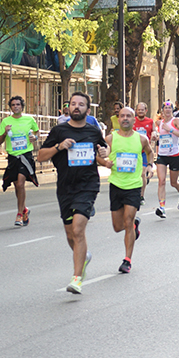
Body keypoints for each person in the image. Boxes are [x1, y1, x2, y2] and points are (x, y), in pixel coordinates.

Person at [38, 91, 110, 294]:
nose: (76, 107)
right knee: (70, 234)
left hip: (87, 185)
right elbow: (41, 156)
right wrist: (59, 147)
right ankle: (83, 255)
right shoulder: (59, 131)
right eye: (73, 104)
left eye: (81, 104)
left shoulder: (93, 131)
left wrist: (105, 155)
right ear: (68, 108)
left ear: (88, 109)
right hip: (65, 187)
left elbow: (102, 154)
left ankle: (77, 278)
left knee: (78, 229)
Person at [104, 106, 152, 273]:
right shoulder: (110, 138)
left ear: (133, 120)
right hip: (116, 184)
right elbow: (100, 155)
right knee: (118, 227)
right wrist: (104, 162)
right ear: (118, 119)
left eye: (128, 116)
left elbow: (150, 152)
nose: (125, 118)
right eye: (122, 116)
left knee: (128, 220)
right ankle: (133, 227)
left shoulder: (141, 139)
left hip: (133, 185)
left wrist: (149, 166)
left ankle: (127, 260)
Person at [0, 95, 40, 226]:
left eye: (18, 105)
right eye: (13, 105)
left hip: (25, 155)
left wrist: (35, 138)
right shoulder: (6, 121)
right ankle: (25, 209)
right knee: (17, 185)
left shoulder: (29, 119)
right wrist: (5, 133)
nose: (16, 107)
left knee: (21, 183)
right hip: (12, 157)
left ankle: (19, 214)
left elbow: (37, 132)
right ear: (11, 107)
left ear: (22, 106)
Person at [152, 101, 179, 218]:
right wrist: (155, 136)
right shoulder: (159, 122)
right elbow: (157, 136)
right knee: (161, 181)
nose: (167, 110)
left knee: (173, 183)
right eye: (165, 108)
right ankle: (162, 207)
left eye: (169, 108)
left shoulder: (176, 121)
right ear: (162, 110)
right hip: (162, 155)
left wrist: (171, 130)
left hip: (174, 155)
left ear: (172, 110)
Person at [132, 102, 155, 203]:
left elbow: (154, 131)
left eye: (142, 110)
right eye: (138, 110)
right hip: (134, 151)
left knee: (142, 173)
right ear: (136, 111)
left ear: (146, 111)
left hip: (145, 151)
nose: (140, 111)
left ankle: (141, 196)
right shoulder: (132, 121)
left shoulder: (150, 121)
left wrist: (155, 134)